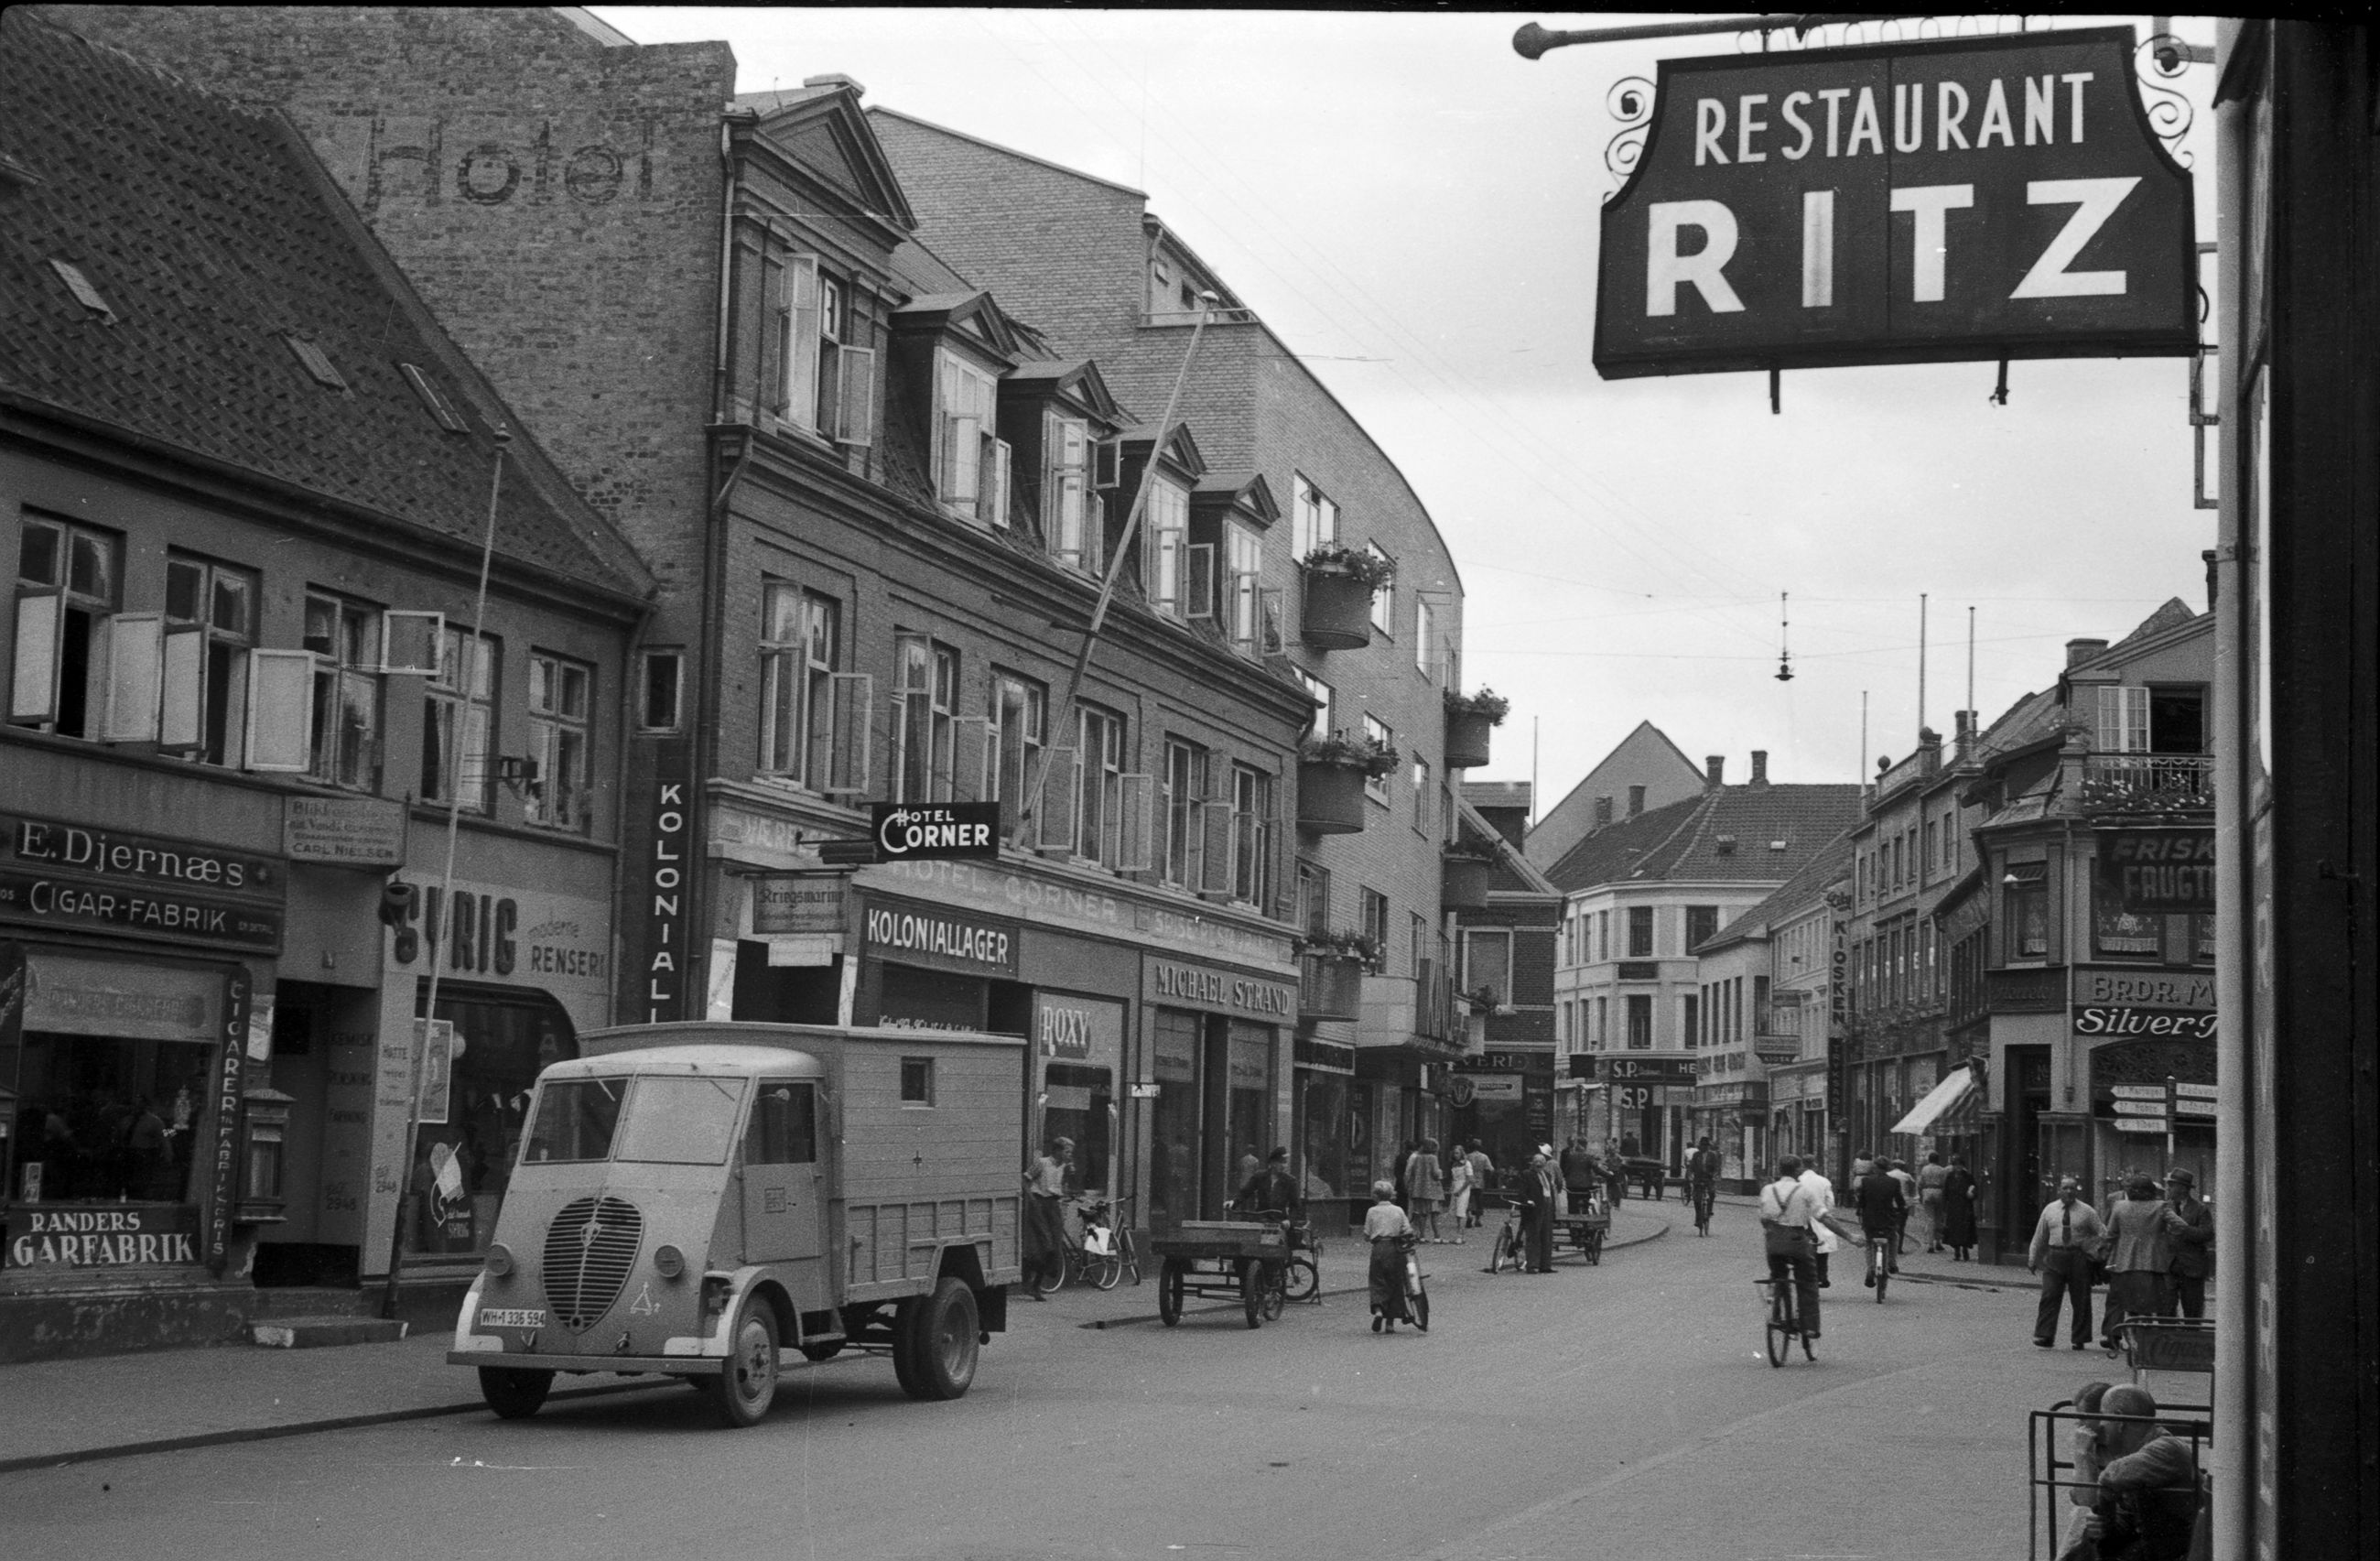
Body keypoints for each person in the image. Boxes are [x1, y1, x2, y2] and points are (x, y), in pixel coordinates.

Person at [2084, 1385, 2203, 1561]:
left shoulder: (2167, 1448)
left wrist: (2084, 1455)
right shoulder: (2143, 1453)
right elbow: (2127, 1516)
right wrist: (2102, 1525)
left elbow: (2109, 1476)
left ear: (2118, 1419)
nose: (2101, 1424)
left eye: (2103, 1416)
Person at [2029, 1177, 2107, 1350]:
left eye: (2072, 1188)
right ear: (2059, 1190)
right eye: (2065, 1188)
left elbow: (2103, 1233)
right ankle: (2045, 1335)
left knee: (2081, 1298)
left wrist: (2092, 1248)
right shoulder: (2050, 1210)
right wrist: (2032, 1257)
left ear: (2076, 1191)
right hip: (2054, 1255)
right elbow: (2039, 1235)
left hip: (2078, 1257)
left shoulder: (2087, 1211)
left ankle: (2080, 1338)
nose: (2069, 1192)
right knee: (2049, 1295)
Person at [2101, 1174, 2174, 1354]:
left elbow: (2110, 1235)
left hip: (2125, 1264)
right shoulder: (2161, 1207)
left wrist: (2104, 1251)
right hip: (2152, 1264)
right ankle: (2148, 1345)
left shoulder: (2119, 1206)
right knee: (2151, 1307)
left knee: (2130, 1307)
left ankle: (2135, 1345)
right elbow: (2178, 1226)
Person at [1758, 1154, 1823, 1349]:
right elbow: (1823, 1216)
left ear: (1779, 1170)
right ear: (1797, 1171)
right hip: (1797, 1242)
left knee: (1778, 1273)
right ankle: (1810, 1327)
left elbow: (1763, 1219)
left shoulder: (1768, 1190)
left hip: (1773, 1244)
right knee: (1808, 1281)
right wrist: (1850, 1236)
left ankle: (1775, 1308)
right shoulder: (1803, 1191)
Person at [2056, 1381, 2116, 1561]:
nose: (2079, 1426)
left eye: (2083, 1418)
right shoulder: (2091, 1443)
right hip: (2102, 1516)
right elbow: (2084, 1499)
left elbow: (2088, 1500)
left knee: (2084, 1518)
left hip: (2121, 1515)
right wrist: (2082, 1454)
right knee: (2083, 1515)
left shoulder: (2124, 1440)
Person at [2159, 1168, 2212, 1319]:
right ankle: (2169, 1340)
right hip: (2168, 1266)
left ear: (2183, 1188)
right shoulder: (2164, 1207)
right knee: (2166, 1309)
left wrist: (2185, 1230)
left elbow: (2207, 1234)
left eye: (2172, 1185)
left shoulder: (2200, 1209)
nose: (2168, 1189)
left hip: (2192, 1268)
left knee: (2192, 1310)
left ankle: (2191, 1340)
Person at [1363, 1178, 1416, 1332]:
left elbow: (1367, 1234)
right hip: (1395, 1248)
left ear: (1376, 1196)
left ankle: (1379, 1311)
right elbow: (1407, 1229)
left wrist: (1371, 1236)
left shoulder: (1372, 1211)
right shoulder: (1398, 1210)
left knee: (1377, 1280)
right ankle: (1390, 1324)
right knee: (1394, 1282)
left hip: (1379, 1247)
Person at [1022, 1137, 1071, 1296]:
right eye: (1067, 1151)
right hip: (1039, 1204)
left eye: (1070, 1152)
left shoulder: (1064, 1167)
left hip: (1053, 1205)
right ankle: (1028, 1281)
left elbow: (1060, 1187)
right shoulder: (1042, 1163)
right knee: (1044, 1244)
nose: (1069, 1155)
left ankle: (1036, 1285)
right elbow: (1025, 1180)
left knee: (1054, 1246)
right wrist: (1032, 1200)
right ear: (1057, 1151)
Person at [1854, 1157, 1907, 1280]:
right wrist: (1902, 1210)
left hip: (1870, 1219)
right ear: (1887, 1168)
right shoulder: (1893, 1182)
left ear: (1875, 1167)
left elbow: (1862, 1201)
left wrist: (1859, 1211)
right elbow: (1899, 1200)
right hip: (1887, 1219)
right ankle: (1892, 1263)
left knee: (1869, 1242)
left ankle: (1870, 1269)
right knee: (1894, 1237)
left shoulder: (1866, 1181)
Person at [1799, 1156, 1840, 1288]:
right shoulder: (1823, 1181)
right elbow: (1830, 1201)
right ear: (1815, 1165)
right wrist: (1827, 1213)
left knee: (1802, 1249)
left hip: (1802, 1219)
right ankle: (1822, 1276)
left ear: (1802, 1166)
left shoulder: (1798, 1180)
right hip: (1820, 1217)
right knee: (1822, 1248)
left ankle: (1804, 1276)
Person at [1234, 1145, 1301, 1220]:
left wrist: (1289, 1221)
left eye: (1285, 1163)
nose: (1284, 1166)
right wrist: (1233, 1203)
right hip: (1260, 1219)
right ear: (1272, 1163)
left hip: (1280, 1222)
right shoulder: (1259, 1177)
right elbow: (1244, 1193)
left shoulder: (1290, 1181)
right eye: (1280, 1162)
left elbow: (1295, 1205)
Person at [1404, 1138, 1445, 1241]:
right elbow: (1436, 1174)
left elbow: (1413, 1173)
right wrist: (1440, 1173)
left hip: (1419, 1190)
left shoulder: (1417, 1158)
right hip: (1432, 1189)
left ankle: (1422, 1236)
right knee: (1434, 1213)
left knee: (1422, 1214)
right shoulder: (1433, 1158)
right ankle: (1437, 1236)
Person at [1942, 1153, 1980, 1261]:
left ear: (1963, 1165)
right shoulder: (1949, 1176)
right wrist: (1944, 1207)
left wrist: (1971, 1194)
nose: (1957, 1167)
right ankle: (1957, 1251)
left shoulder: (1968, 1177)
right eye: (1955, 1165)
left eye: (1959, 1165)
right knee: (1954, 1230)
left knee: (1965, 1229)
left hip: (1965, 1207)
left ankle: (1965, 1249)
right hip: (1953, 1207)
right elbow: (1946, 1192)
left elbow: (1975, 1189)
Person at [1531, 1145, 1563, 1272]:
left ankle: (1544, 1264)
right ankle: (1537, 1263)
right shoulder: (1551, 1165)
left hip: (1548, 1200)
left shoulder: (1547, 1169)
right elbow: (1559, 1181)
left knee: (1546, 1234)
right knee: (1541, 1234)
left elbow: (1556, 1182)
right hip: (1543, 1201)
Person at [1918, 1151, 1951, 1252]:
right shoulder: (1942, 1170)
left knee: (1930, 1218)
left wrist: (1920, 1194)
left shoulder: (1924, 1169)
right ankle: (1939, 1242)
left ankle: (1930, 1244)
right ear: (1938, 1160)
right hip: (1939, 1192)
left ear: (1929, 1159)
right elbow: (1945, 1183)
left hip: (1927, 1192)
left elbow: (1920, 1183)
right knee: (1939, 1218)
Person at [1886, 1157, 1920, 1253]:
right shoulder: (1907, 1176)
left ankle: (1889, 1246)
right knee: (1901, 1226)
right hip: (1904, 1203)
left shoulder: (1888, 1175)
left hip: (1890, 1203)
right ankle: (1899, 1248)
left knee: (1889, 1225)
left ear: (1893, 1166)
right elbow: (1913, 1187)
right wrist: (1912, 1198)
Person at [1444, 1142, 1475, 1242]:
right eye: (1454, 1153)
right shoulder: (1454, 1164)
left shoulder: (1467, 1164)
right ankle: (1459, 1234)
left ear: (1462, 1153)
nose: (1455, 1155)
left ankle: (1460, 1236)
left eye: (1457, 1153)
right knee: (1457, 1212)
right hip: (1456, 1187)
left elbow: (1470, 1179)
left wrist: (1460, 1190)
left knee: (1461, 1211)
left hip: (1463, 1188)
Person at [1464, 1144, 1495, 1227]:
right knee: (1479, 1201)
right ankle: (1478, 1219)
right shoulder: (1484, 1157)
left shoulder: (1467, 1156)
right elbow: (1490, 1169)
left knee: (1467, 1200)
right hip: (1479, 1181)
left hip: (1469, 1181)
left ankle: (1469, 1215)